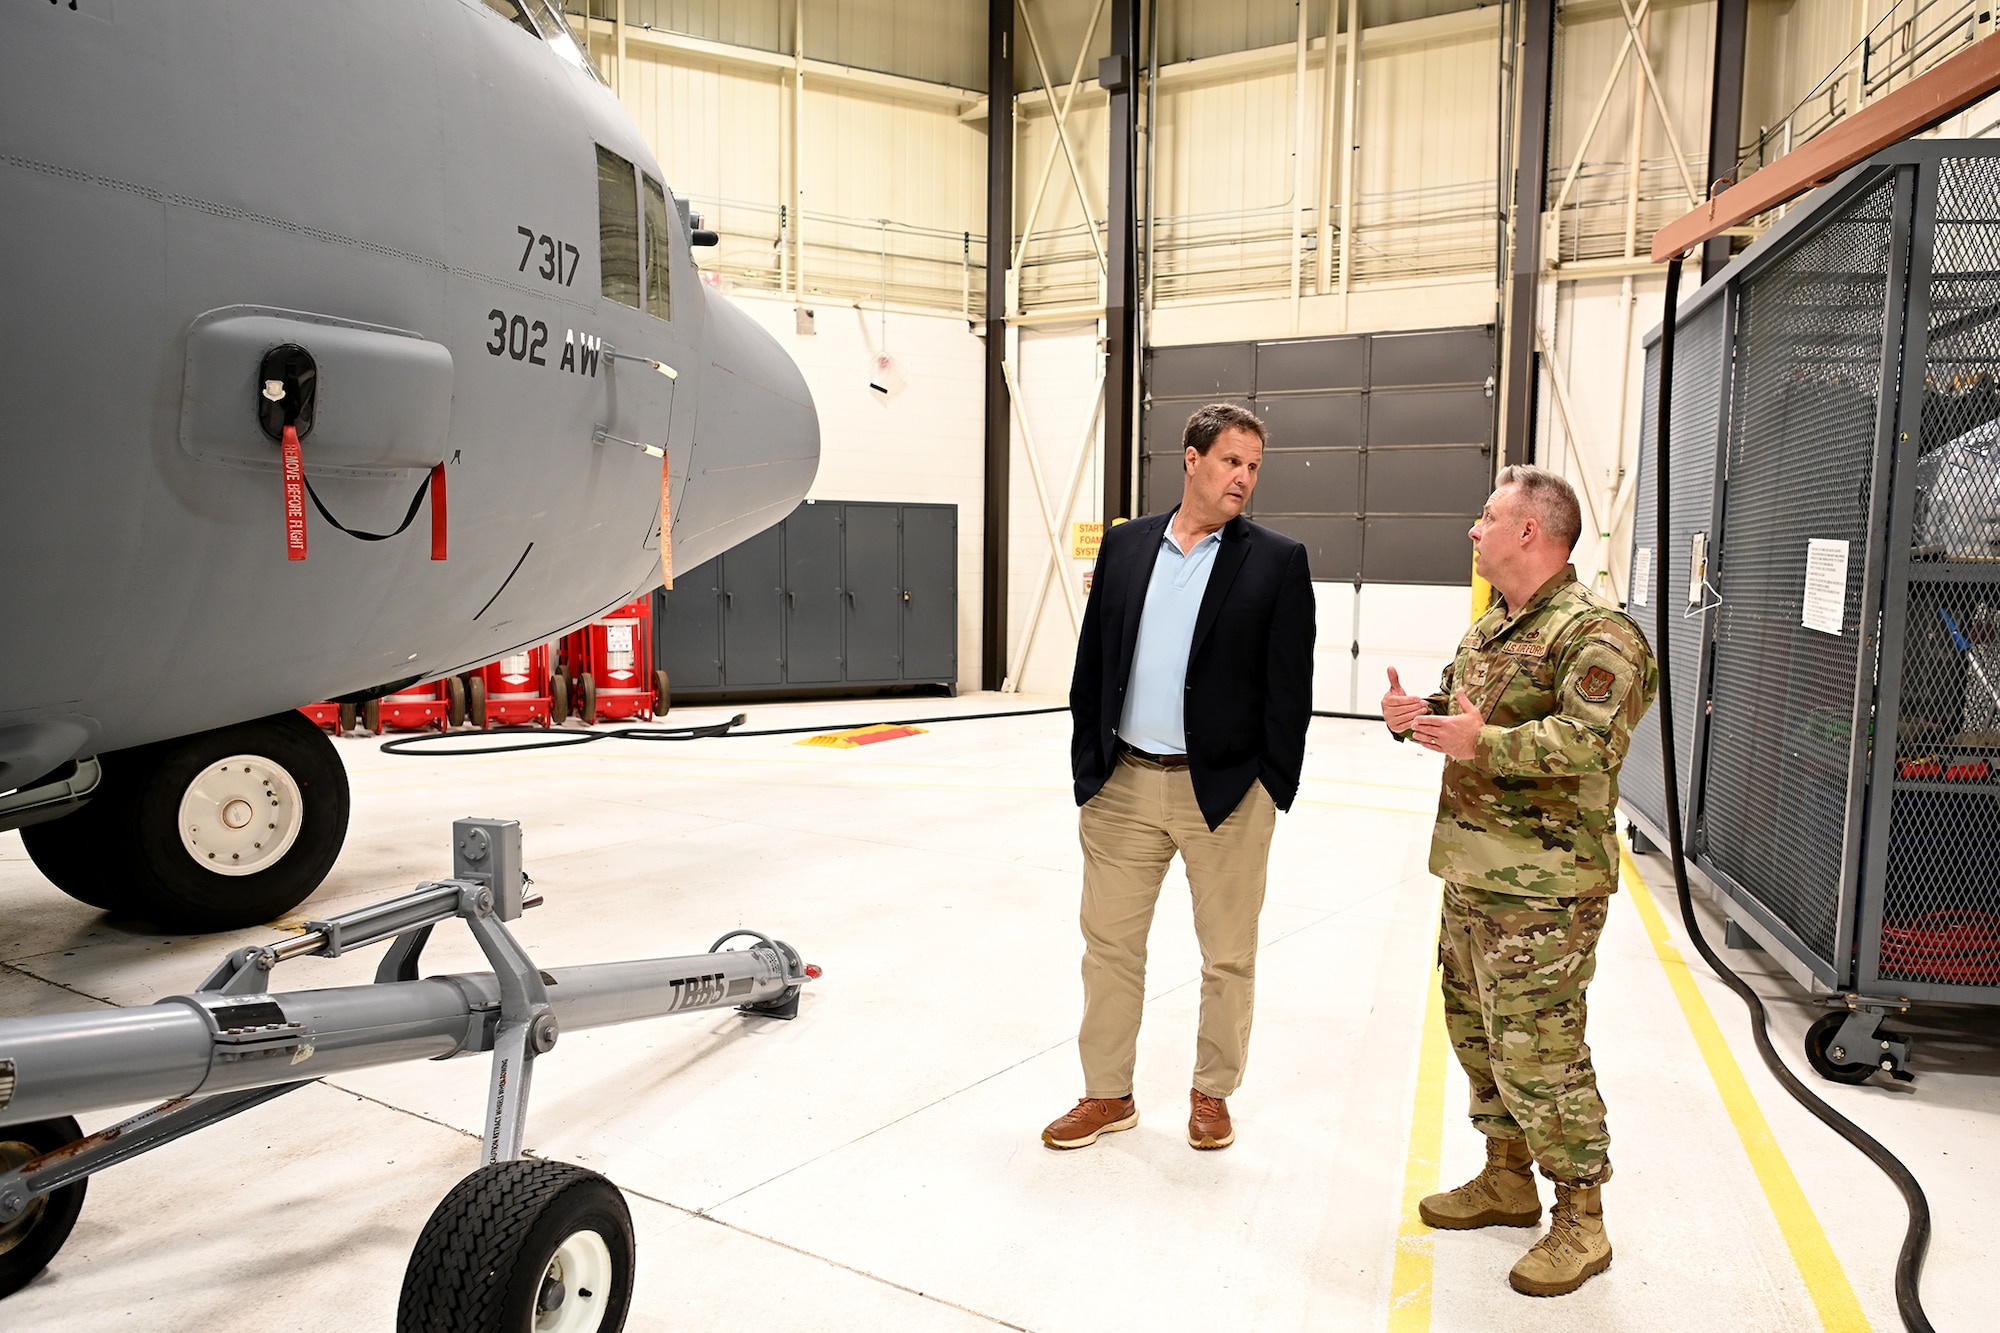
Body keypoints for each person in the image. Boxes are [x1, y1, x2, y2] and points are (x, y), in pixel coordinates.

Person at [1382, 464, 1656, 1298]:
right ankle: (1507, 1177)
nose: (1475, 527)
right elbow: (1474, 709)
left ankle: (1582, 1218)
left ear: (1531, 531)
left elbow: (1591, 743)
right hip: (1473, 874)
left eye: (1488, 515)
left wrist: (1481, 746)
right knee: (1477, 1036)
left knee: (1542, 1050)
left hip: (1545, 889)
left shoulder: (1598, 634)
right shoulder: (1493, 626)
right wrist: (1418, 715)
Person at [1043, 402, 1315, 1155]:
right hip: (1125, 782)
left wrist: (1270, 785)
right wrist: (1088, 771)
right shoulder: (1128, 546)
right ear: (1191, 458)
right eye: (1232, 461)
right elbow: (1092, 666)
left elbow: (1290, 689)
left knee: (1228, 953)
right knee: (1109, 947)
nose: (1244, 478)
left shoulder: (1276, 560)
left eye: (1254, 467)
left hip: (1225, 791)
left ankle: (1211, 1093)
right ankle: (1107, 1094)